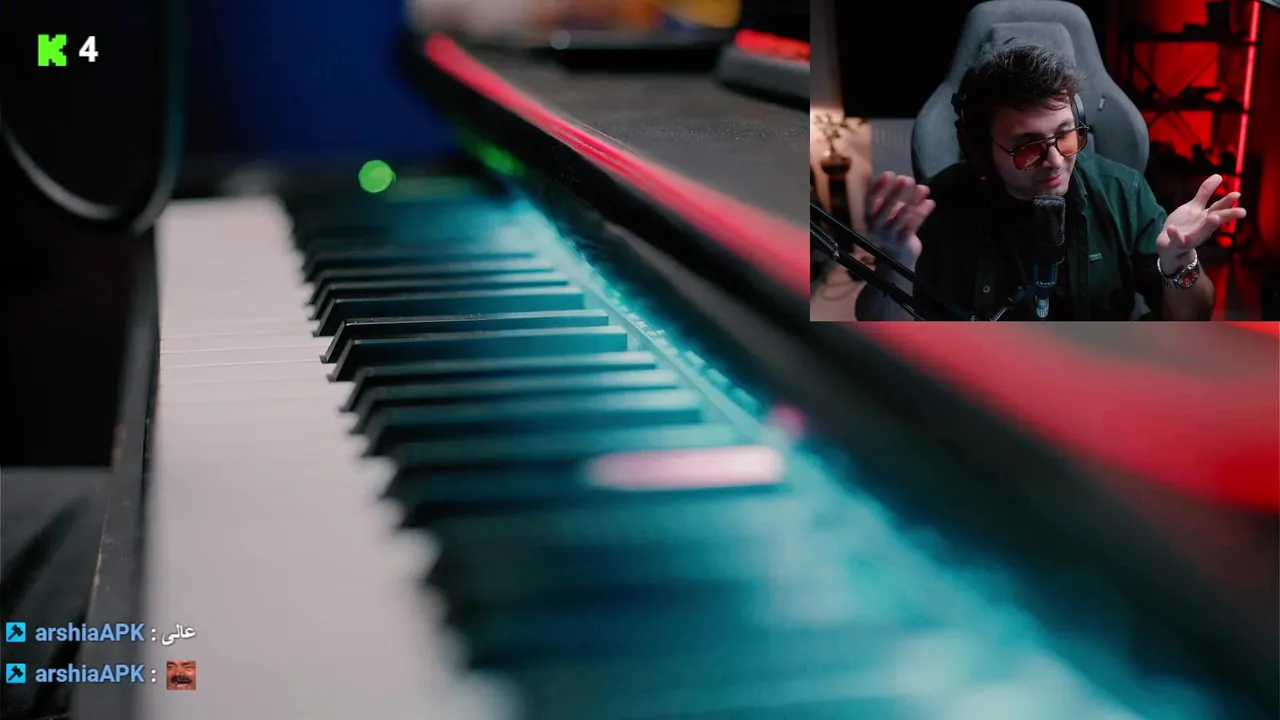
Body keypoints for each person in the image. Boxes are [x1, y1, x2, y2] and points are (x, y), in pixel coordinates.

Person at [856, 43, 1247, 321]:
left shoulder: (1122, 192)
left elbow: (1191, 319)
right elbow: (880, 333)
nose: (1056, 160)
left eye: (1065, 134)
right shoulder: (941, 205)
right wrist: (897, 260)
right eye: (1028, 147)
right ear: (980, 149)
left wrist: (1181, 264)